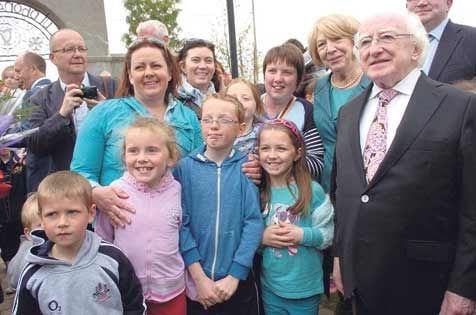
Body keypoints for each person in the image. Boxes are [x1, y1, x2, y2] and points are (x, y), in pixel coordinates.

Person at [332, 11, 476, 315]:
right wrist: (339, 257)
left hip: (427, 286)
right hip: (359, 286)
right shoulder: (348, 113)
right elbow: (344, 193)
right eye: (365, 42)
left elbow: (472, 208)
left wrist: (464, 287)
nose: (375, 48)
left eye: (387, 37)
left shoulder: (460, 107)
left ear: (416, 49)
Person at [70, 37, 201, 227]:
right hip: (120, 229)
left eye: (156, 66)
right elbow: (81, 172)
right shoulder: (104, 113)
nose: (149, 73)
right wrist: (96, 193)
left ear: (170, 73)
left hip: (177, 232)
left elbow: (199, 170)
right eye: (140, 67)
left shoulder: (188, 117)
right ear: (130, 76)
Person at [174, 94, 263, 314]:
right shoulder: (184, 168)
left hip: (237, 282)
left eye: (224, 120)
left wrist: (235, 275)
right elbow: (179, 223)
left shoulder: (247, 168)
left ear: (241, 128)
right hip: (196, 282)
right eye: (207, 119)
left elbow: (253, 222)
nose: (214, 125)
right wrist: (199, 278)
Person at [12, 171, 145, 314]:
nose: (62, 223)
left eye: (72, 212)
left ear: (91, 213)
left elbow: (134, 304)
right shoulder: (33, 274)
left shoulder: (112, 258)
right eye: (51, 214)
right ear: (41, 218)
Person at [95, 117, 186, 314]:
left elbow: (184, 234)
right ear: (124, 156)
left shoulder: (177, 191)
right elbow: (102, 241)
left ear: (171, 157)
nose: (142, 158)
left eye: (152, 150)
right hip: (127, 293)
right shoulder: (116, 192)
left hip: (173, 292)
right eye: (133, 151)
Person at [258, 119, 334, 314]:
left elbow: (328, 235)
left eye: (281, 149)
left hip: (305, 290)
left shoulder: (313, 191)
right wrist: (262, 238)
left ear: (297, 153)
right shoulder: (257, 193)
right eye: (265, 148)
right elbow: (246, 236)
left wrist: (302, 235)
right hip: (271, 288)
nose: (272, 156)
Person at [26, 28, 117, 174]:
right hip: (66, 184)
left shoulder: (111, 86)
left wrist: (106, 111)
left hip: (108, 179)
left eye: (81, 49)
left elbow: (131, 130)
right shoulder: (40, 98)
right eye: (69, 49)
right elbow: (35, 145)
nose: (77, 54)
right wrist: (61, 115)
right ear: (53, 57)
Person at [308, 14, 371, 192]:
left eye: (336, 39)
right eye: (322, 44)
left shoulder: (375, 82)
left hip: (367, 185)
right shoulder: (319, 88)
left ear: (354, 41)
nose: (330, 49)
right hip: (329, 186)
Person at [262, 44, 324, 179]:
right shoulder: (251, 106)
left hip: (292, 193)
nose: (278, 78)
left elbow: (317, 163)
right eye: (272, 71)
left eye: (287, 72)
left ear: (299, 79)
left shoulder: (306, 111)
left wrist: (278, 164)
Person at [406, 0, 476, 83]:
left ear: (448, 3)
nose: (422, 3)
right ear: (406, 5)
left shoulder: (472, 39)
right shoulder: (394, 41)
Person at [14, 52, 52, 193]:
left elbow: (27, 133)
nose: (16, 76)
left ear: (33, 69)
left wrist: (3, 137)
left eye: (18, 71)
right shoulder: (56, 90)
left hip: (39, 168)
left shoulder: (32, 94)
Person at [6, 193, 41, 290]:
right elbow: (14, 279)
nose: (48, 228)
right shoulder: (27, 253)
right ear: (28, 233)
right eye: (40, 225)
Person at [177, 38, 217, 118]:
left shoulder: (224, 100)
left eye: (208, 61)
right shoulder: (172, 102)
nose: (203, 66)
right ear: (183, 67)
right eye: (196, 60)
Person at [225, 78, 264, 155]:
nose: (239, 102)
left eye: (246, 98)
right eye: (232, 98)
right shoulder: (217, 131)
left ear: (257, 104)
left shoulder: (264, 132)